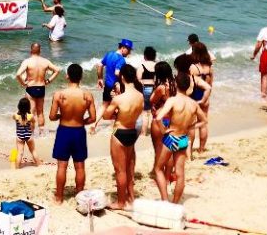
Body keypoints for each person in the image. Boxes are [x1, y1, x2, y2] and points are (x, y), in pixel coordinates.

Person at [153, 73, 207, 204]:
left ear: (175, 84)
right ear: (188, 86)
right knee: (180, 173)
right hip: (183, 139)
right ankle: (175, 203)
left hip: (171, 138)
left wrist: (164, 130)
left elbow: (159, 117)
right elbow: (204, 120)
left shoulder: (172, 100)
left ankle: (165, 200)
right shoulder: (193, 103)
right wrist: (191, 127)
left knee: (158, 169)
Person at [49, 64, 96, 204]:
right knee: (80, 166)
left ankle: (59, 197)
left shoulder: (59, 95)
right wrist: (81, 121)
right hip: (79, 131)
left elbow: (51, 116)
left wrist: (60, 116)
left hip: (64, 131)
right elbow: (93, 118)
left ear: (67, 76)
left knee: (62, 166)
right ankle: (80, 195)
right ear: (81, 77)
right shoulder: (87, 95)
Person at [103, 65, 144, 210]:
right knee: (129, 168)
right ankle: (130, 198)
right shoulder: (140, 96)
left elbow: (105, 116)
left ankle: (120, 202)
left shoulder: (119, 99)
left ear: (122, 77)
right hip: (132, 132)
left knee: (120, 170)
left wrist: (114, 106)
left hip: (120, 133)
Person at [14, 43, 60, 134]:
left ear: (31, 50)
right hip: (41, 88)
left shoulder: (27, 61)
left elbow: (18, 74)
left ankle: (31, 133)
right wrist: (49, 81)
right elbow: (57, 70)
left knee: (31, 112)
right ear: (40, 51)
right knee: (40, 112)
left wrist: (23, 83)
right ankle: (42, 132)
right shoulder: (45, 61)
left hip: (31, 88)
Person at [91, 39, 133, 134]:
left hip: (108, 85)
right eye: (129, 50)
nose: (129, 52)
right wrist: (124, 82)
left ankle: (93, 125)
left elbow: (100, 65)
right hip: (116, 87)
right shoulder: (121, 59)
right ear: (123, 48)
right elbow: (117, 72)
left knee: (104, 105)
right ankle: (116, 130)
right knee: (120, 108)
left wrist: (100, 78)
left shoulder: (109, 54)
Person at [173, 54, 210, 160]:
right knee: (190, 131)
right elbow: (208, 87)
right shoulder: (194, 78)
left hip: (179, 108)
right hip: (191, 107)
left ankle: (180, 153)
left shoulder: (176, 79)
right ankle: (189, 155)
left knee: (179, 132)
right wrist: (202, 101)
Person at [149, 61, 176, 177]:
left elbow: (151, 100)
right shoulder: (175, 84)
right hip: (172, 118)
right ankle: (167, 175)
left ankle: (159, 174)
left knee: (159, 149)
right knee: (169, 149)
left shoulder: (162, 87)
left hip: (160, 118)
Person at [189, 42, 214, 153]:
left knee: (192, 124)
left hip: (194, 97)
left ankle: (189, 148)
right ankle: (201, 148)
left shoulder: (193, 68)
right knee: (203, 123)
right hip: (205, 96)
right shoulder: (209, 68)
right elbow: (210, 85)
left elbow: (190, 85)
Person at [12, 98, 40, 168]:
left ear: (19, 106)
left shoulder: (16, 115)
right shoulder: (30, 116)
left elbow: (14, 117)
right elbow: (33, 123)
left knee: (20, 153)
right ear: (28, 106)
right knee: (33, 151)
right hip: (29, 136)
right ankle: (39, 165)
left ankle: (17, 167)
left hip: (19, 136)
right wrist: (32, 131)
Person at [136, 46, 157, 136]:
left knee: (145, 112)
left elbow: (138, 79)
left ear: (145, 56)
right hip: (156, 89)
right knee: (154, 111)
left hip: (146, 89)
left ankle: (144, 132)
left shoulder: (142, 66)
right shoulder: (157, 65)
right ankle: (155, 131)